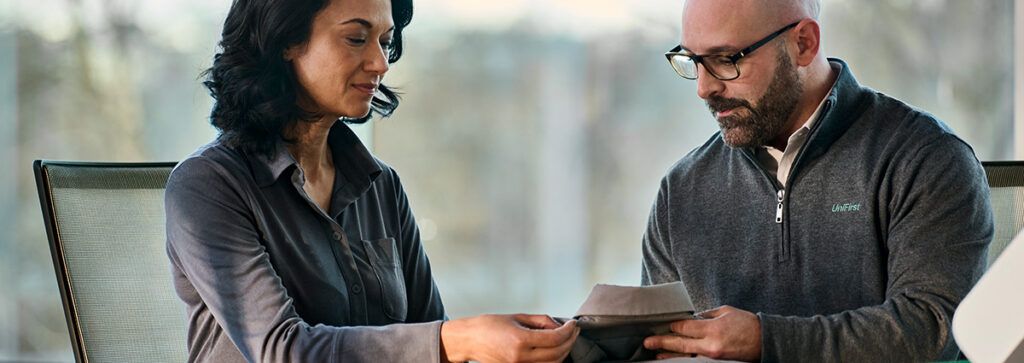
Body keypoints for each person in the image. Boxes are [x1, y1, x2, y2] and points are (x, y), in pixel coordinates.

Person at [164, 0, 579, 362]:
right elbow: (284, 351)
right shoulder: (206, 186)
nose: (380, 62)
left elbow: (430, 331)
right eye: (357, 38)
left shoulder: (382, 187)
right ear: (286, 41)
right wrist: (461, 339)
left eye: (384, 41)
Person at [639, 0, 993, 362]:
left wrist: (766, 341)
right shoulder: (680, 191)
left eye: (727, 59)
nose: (703, 87)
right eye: (693, 62)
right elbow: (658, 346)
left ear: (804, 43)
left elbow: (932, 329)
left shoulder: (924, 159)